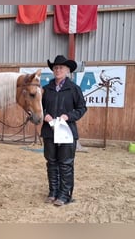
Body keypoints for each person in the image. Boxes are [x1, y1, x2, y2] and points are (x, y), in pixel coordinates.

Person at [41, 55, 87, 206]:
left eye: (61, 67)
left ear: (67, 70)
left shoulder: (74, 89)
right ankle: (53, 191)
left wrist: (68, 116)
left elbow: (82, 108)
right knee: (51, 162)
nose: (58, 70)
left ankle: (64, 194)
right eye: (55, 68)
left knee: (66, 163)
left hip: (67, 132)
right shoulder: (46, 89)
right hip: (49, 131)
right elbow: (38, 108)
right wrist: (44, 115)